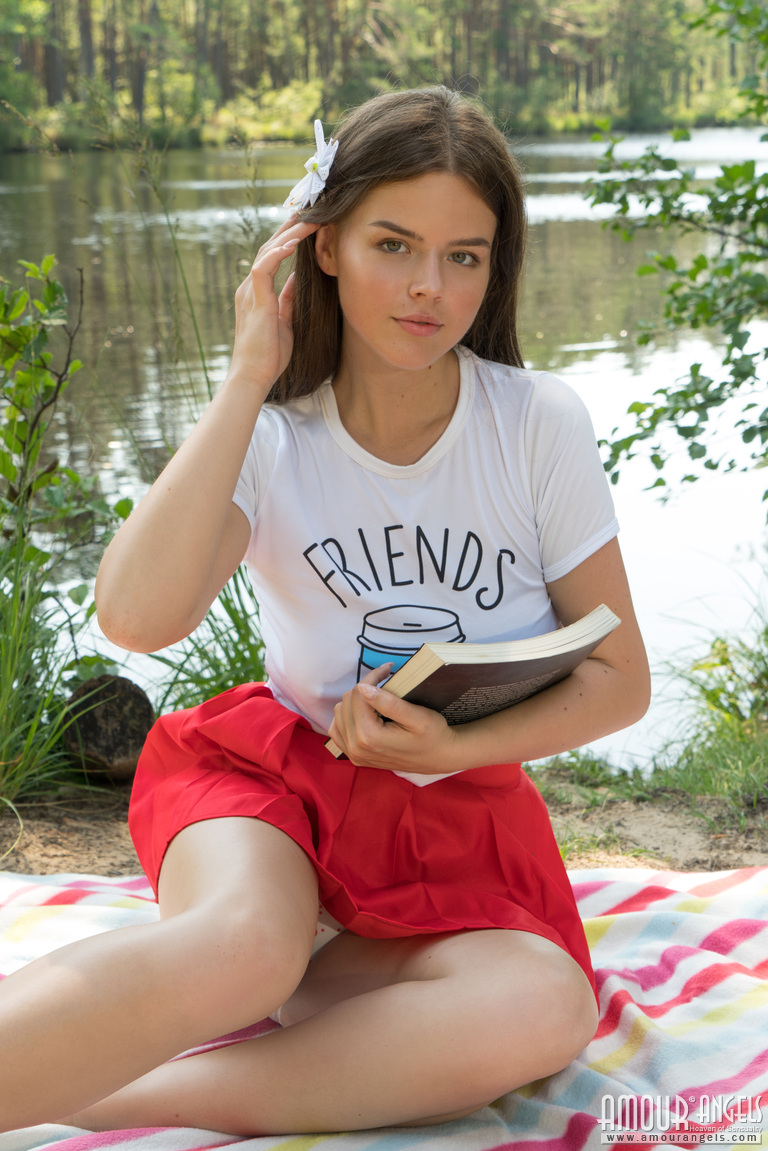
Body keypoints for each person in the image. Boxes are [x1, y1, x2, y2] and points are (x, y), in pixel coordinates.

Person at [0, 86, 650, 1137]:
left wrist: (450, 743)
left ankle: (113, 1095)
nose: (429, 287)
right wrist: (245, 379)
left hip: (458, 817)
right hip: (278, 788)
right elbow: (133, 617)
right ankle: (260, 963)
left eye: (464, 255)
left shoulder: (537, 424)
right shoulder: (273, 436)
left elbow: (621, 682)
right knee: (241, 950)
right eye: (394, 244)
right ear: (327, 243)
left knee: (544, 1007)